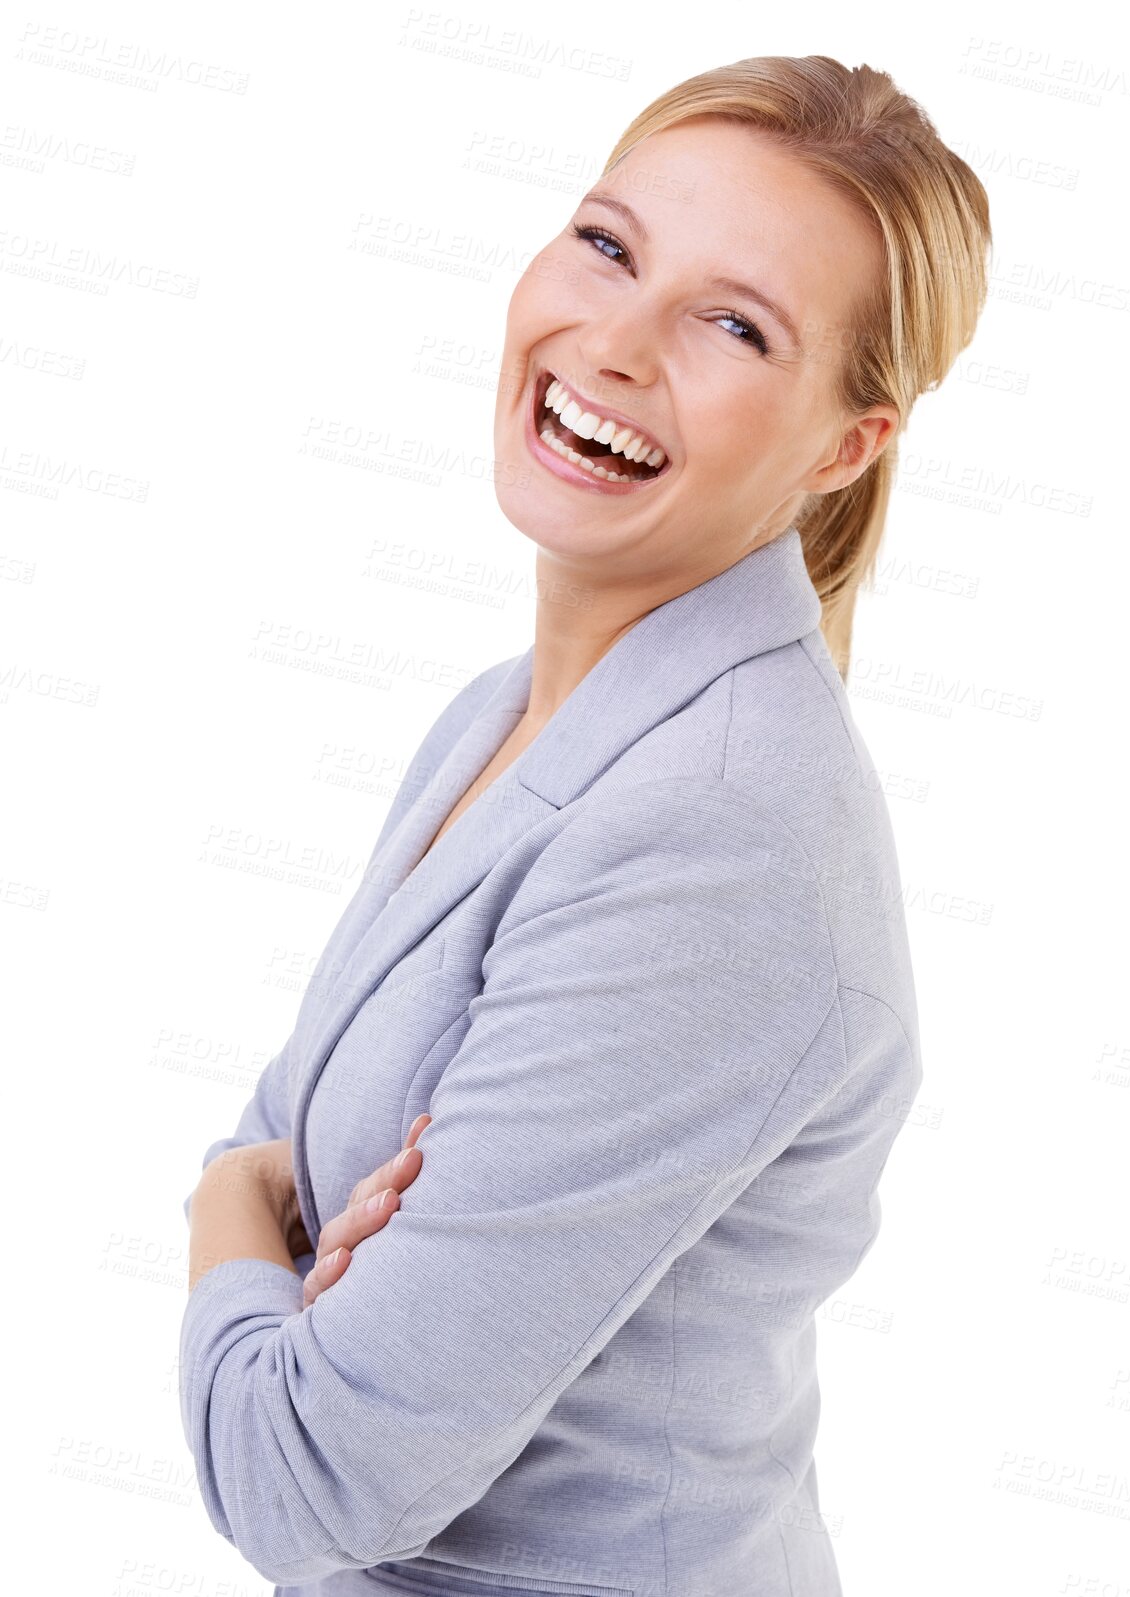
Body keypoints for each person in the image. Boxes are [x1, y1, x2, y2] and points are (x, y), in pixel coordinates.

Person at [180, 53, 992, 1597]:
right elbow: (282, 1130)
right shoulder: (504, 714)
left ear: (845, 446)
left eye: (735, 323)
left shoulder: (721, 837)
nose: (611, 341)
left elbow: (305, 1472)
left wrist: (230, 1223)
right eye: (609, 245)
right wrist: (273, 1231)